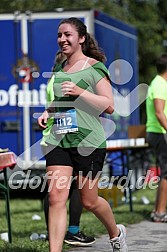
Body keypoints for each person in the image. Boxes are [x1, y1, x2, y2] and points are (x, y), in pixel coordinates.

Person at [38, 17, 128, 252]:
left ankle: (116, 233)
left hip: (88, 142)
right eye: (59, 35)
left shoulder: (94, 67)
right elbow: (59, 101)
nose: (62, 39)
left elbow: (109, 105)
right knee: (56, 197)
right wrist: (47, 113)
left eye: (67, 34)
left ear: (81, 38)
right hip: (59, 139)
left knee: (89, 201)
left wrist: (79, 92)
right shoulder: (59, 68)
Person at [41, 51, 96, 246]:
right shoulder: (60, 80)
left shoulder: (54, 80)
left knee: (57, 192)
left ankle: (59, 231)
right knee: (63, 191)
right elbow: (60, 107)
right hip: (58, 138)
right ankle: (69, 231)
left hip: (59, 136)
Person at [146, 53, 167, 223]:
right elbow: (160, 113)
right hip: (160, 132)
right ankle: (160, 212)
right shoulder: (160, 84)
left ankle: (158, 210)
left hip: (159, 132)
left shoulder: (158, 82)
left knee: (165, 173)